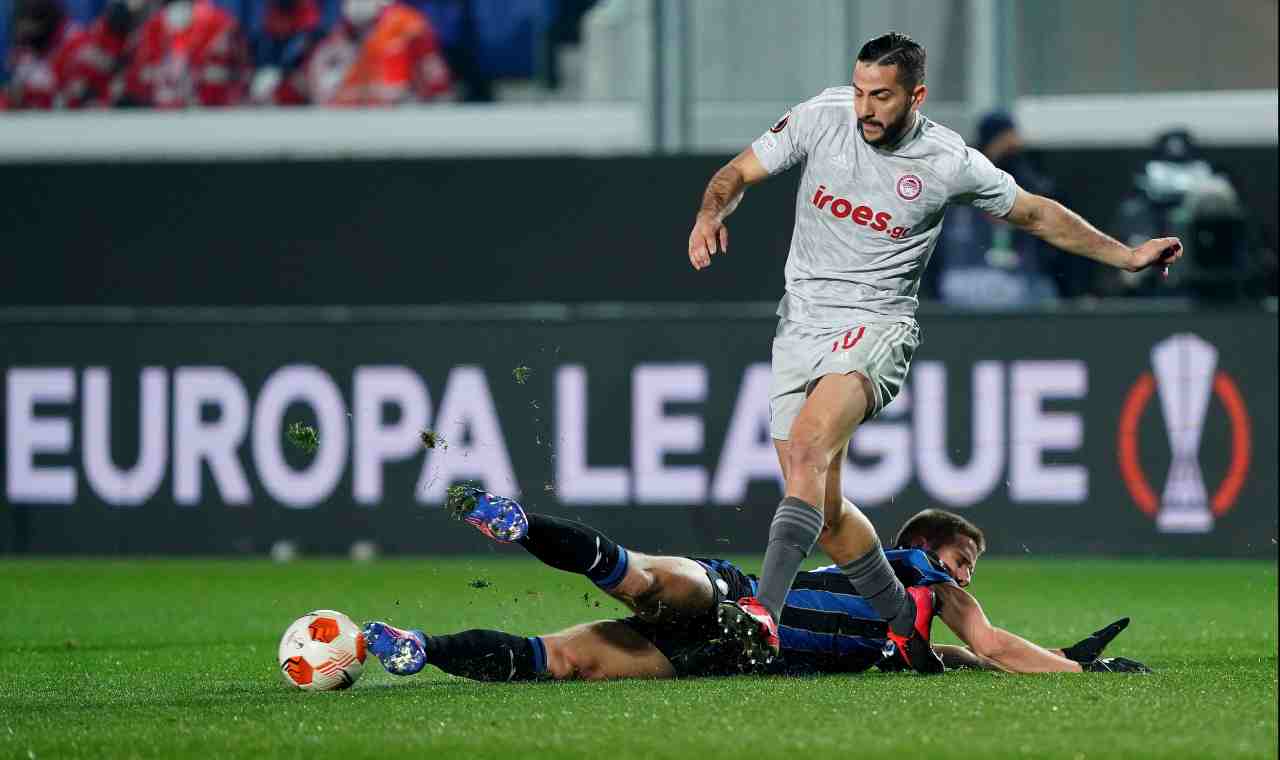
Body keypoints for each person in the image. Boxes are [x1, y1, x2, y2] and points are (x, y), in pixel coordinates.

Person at [683, 32, 1183, 673]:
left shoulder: (947, 160)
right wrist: (710, 212)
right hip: (798, 326)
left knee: (809, 446)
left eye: (881, 96)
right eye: (860, 91)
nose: (864, 108)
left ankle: (762, 617)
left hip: (877, 324)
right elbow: (737, 173)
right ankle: (905, 626)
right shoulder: (821, 117)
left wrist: (1127, 254)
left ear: (915, 96)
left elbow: (1034, 215)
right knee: (826, 510)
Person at [360, 487, 1149, 682]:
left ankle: (419, 645)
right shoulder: (920, 579)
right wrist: (1079, 672)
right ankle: (515, 529)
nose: (968, 576)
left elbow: (974, 664)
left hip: (732, 647)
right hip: (744, 626)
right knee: (637, 587)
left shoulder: (901, 621)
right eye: (964, 559)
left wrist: (1066, 656)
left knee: (573, 647)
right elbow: (993, 646)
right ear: (928, 548)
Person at [933, 110, 1069, 307]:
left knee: (1041, 291)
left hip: (1021, 275)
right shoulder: (962, 178)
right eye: (1005, 140)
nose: (1013, 145)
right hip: (967, 276)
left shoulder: (1027, 180)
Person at [296, 0, 451, 106]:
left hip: (400, 121)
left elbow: (437, 86)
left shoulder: (409, 28)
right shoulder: (332, 39)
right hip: (349, 124)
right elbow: (322, 96)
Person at [122, 0, 250, 107]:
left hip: (211, 112)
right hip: (160, 112)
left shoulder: (219, 23)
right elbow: (137, 79)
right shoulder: (152, 26)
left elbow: (238, 72)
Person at [3, 0, 76, 109]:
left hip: (62, 107)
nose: (27, 29)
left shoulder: (71, 38)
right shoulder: (22, 51)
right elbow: (14, 92)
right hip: (30, 110)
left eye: (32, 25)